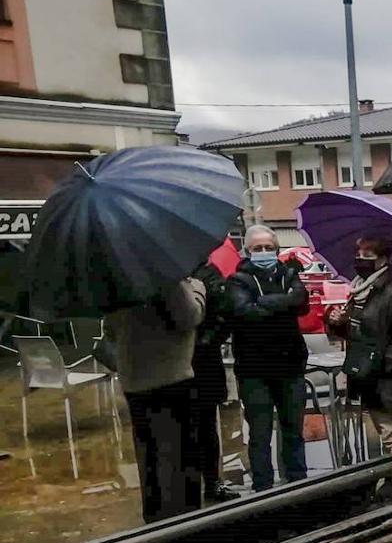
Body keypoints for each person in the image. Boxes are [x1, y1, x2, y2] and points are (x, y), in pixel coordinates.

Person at [326, 232, 392, 501]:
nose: (361, 260)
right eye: (359, 255)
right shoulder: (359, 290)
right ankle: (389, 475)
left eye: (368, 255)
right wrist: (339, 322)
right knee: (382, 430)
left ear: (383, 260)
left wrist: (385, 365)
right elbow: (359, 332)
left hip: (387, 377)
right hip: (365, 375)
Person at [105, 277, 205, 522]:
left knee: (149, 460)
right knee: (180, 464)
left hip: (134, 382)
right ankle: (183, 532)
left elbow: (109, 330)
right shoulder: (165, 276)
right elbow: (188, 317)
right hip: (171, 378)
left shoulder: (116, 280)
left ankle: (155, 523)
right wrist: (199, 291)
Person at [226, 224, 309, 493]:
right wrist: (283, 302)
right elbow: (244, 312)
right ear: (248, 251)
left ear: (277, 249)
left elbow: (302, 303)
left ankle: (297, 482)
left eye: (268, 247)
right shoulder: (237, 280)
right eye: (257, 248)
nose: (264, 252)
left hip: (290, 365)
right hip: (254, 370)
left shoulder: (289, 273)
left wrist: (263, 302)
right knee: (260, 434)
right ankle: (263, 487)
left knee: (293, 431)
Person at [189, 260, 239, 503]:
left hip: (204, 361)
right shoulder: (162, 272)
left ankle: (212, 482)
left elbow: (225, 313)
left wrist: (208, 340)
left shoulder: (209, 274)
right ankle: (187, 487)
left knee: (207, 428)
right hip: (171, 364)